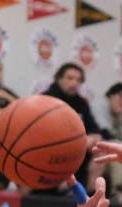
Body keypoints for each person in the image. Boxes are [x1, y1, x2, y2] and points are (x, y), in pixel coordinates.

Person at [45, 63, 105, 191]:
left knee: (101, 150)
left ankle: (90, 196)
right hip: (49, 146)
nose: (74, 83)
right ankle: (60, 187)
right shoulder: (47, 98)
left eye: (78, 80)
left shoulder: (81, 102)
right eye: (70, 78)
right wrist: (80, 140)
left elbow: (94, 128)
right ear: (59, 79)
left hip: (77, 148)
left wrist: (94, 137)